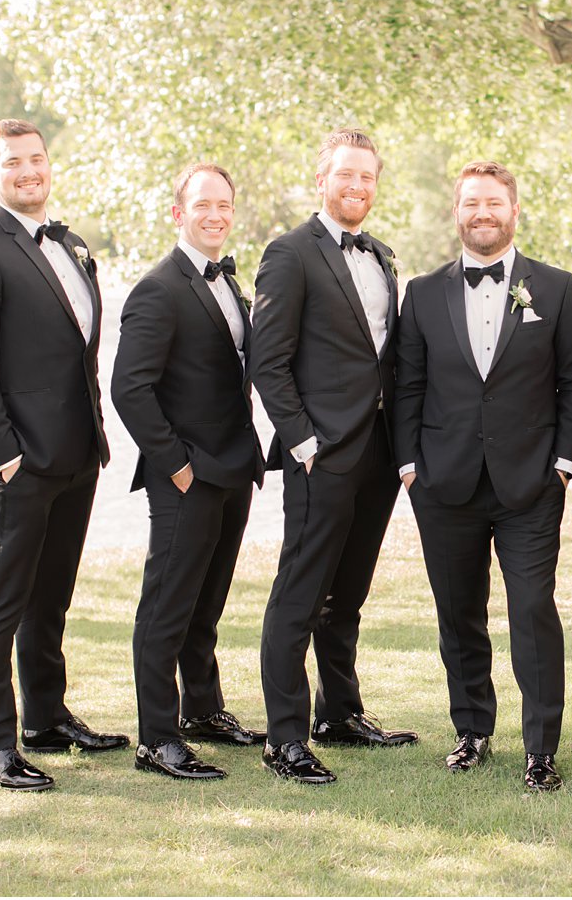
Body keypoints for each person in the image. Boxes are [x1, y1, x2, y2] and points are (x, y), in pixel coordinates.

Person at [393, 161, 572, 791]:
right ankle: (473, 731)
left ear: (514, 211)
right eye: (471, 204)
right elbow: (407, 386)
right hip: (443, 482)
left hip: (530, 484)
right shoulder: (423, 293)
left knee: (533, 610)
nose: (483, 214)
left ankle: (541, 748)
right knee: (458, 612)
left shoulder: (558, 289)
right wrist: (408, 467)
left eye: (494, 204)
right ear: (456, 211)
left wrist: (564, 464)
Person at [0, 118, 127, 792]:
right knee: (0, 602)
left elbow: (79, 356)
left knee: (50, 599)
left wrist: (92, 440)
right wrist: (4, 453)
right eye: (13, 162)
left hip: (76, 455)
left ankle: (46, 720)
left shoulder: (71, 245)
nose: (28, 172)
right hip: (14, 462)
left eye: (37, 159)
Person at [249, 128, 417, 784]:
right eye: (345, 175)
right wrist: (303, 441)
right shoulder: (290, 253)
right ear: (321, 177)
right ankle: (284, 740)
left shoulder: (382, 255)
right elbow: (268, 360)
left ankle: (339, 713)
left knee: (347, 594)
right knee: (299, 594)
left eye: (367, 177)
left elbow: (386, 358)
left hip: (377, 455)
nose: (356, 187)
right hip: (321, 453)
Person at [111, 163, 268, 781]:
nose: (215, 215)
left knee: (207, 604)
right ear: (178, 213)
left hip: (233, 469)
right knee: (167, 606)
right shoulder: (158, 289)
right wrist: (174, 463)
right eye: (202, 205)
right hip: (187, 475)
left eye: (225, 205)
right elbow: (130, 388)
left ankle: (203, 709)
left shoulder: (230, 284)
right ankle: (157, 736)